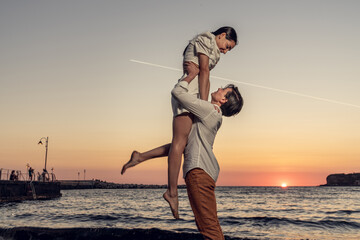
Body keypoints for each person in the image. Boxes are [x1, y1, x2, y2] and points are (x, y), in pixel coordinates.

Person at [122, 26, 238, 219]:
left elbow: (206, 78)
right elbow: (203, 73)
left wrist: (204, 102)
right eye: (227, 46)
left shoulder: (213, 50)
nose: (226, 51)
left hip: (193, 95)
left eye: (228, 50)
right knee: (179, 143)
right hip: (187, 94)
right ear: (222, 35)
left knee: (182, 143)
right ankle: (172, 192)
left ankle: (140, 157)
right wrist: (201, 102)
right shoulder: (207, 40)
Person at [122, 65, 243, 239]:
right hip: (204, 173)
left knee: (210, 231)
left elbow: (177, 93)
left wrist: (190, 76)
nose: (219, 88)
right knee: (210, 227)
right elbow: (180, 145)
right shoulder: (211, 115)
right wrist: (142, 157)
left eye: (223, 90)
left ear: (223, 101)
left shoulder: (209, 110)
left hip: (200, 172)